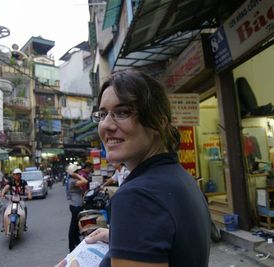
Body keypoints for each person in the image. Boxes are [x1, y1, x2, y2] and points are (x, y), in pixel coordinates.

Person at [85, 69, 211, 266]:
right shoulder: (180, 177)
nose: (106, 125)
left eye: (123, 112)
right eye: (102, 114)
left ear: (158, 123)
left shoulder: (137, 197)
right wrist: (125, 237)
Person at [66, 163, 88, 252]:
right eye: (77, 171)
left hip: (77, 205)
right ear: (74, 173)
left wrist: (76, 175)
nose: (79, 172)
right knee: (73, 227)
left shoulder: (73, 180)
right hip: (75, 206)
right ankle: (71, 247)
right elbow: (85, 181)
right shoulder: (72, 181)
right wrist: (76, 175)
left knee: (76, 227)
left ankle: (76, 243)